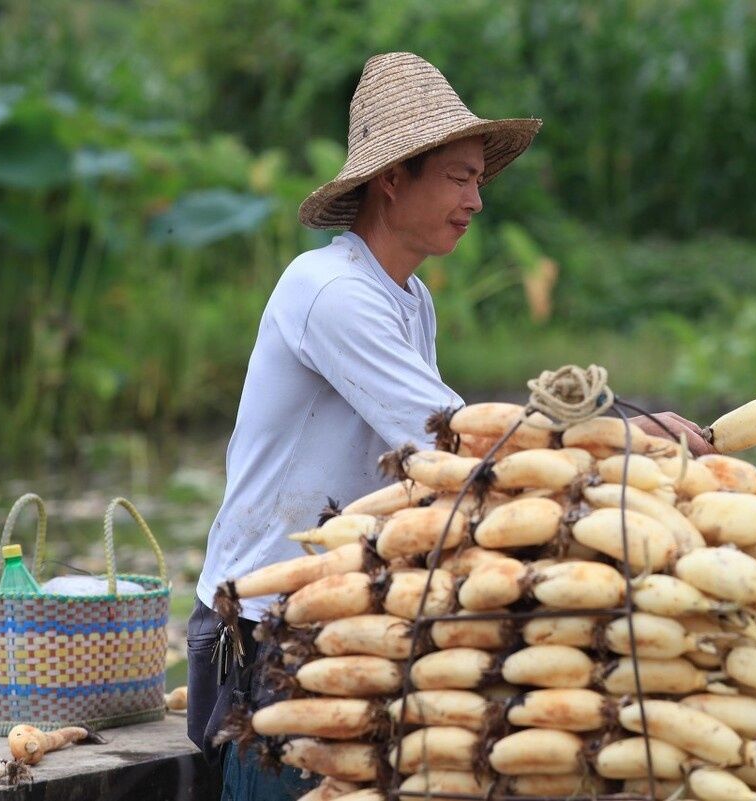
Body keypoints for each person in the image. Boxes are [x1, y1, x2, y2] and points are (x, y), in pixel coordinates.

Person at [186, 51, 713, 799]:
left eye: (478, 180)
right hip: (266, 629)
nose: (476, 200)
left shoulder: (410, 299)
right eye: (460, 177)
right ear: (393, 179)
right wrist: (623, 434)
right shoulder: (330, 290)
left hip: (340, 608)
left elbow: (429, 462)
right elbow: (455, 440)